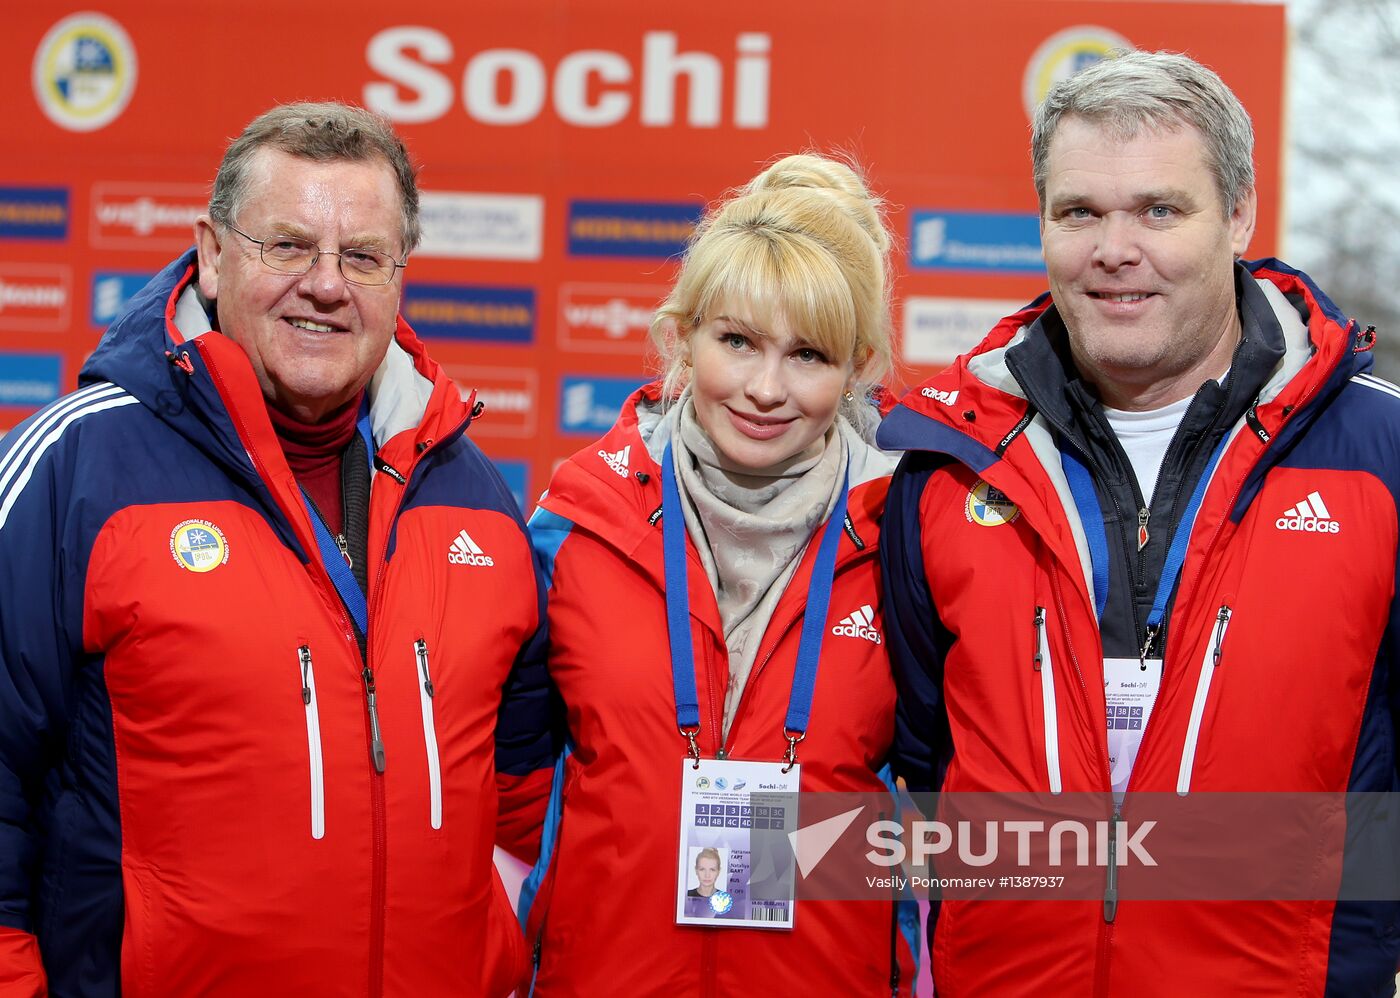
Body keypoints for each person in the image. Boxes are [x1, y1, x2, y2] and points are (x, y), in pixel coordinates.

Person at [0, 102, 555, 996]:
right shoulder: (74, 471)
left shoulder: (475, 494)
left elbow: (525, 800)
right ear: (213, 256)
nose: (327, 285)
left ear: (400, 276)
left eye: (364, 257)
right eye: (288, 245)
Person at [879, 49, 1400, 995]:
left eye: (1160, 210)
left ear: (1238, 215)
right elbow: (923, 759)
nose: (1115, 249)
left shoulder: (1382, 456)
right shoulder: (947, 466)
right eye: (1080, 212)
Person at [522, 154, 917, 995]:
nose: (764, 389)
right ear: (682, 336)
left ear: (858, 370)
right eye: (736, 341)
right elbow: (512, 800)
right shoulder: (574, 527)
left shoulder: (907, 543)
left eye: (807, 354)